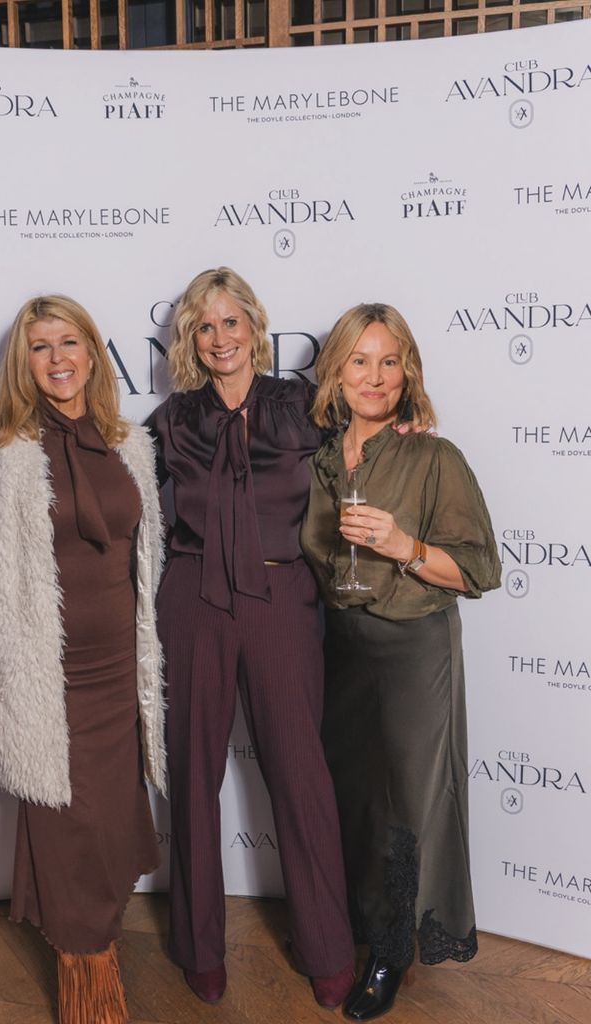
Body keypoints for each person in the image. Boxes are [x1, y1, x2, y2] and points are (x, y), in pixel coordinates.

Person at [0, 295, 166, 1024]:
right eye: (40, 347)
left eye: (69, 342)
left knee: (109, 839)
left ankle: (96, 967)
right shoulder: (2, 454)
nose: (58, 359)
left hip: (120, 680)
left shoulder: (128, 443)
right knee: (69, 837)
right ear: (23, 362)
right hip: (51, 681)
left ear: (92, 351)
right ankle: (91, 994)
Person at [147, 267, 354, 1009]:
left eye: (232, 321)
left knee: (301, 774)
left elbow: (369, 442)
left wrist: (407, 425)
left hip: (280, 598)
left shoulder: (302, 406)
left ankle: (329, 947)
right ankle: (198, 947)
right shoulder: (172, 420)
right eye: (205, 326)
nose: (221, 337)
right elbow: (122, 493)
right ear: (191, 341)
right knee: (193, 773)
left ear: (255, 327)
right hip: (194, 598)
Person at [301, 302, 501, 1021]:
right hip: (341, 649)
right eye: (360, 360)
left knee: (406, 804)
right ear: (336, 371)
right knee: (352, 797)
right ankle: (359, 927)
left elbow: (480, 571)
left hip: (414, 649)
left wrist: (403, 546)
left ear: (407, 370)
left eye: (390, 361)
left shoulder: (432, 457)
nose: (375, 377)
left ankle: (391, 952)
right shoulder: (318, 458)